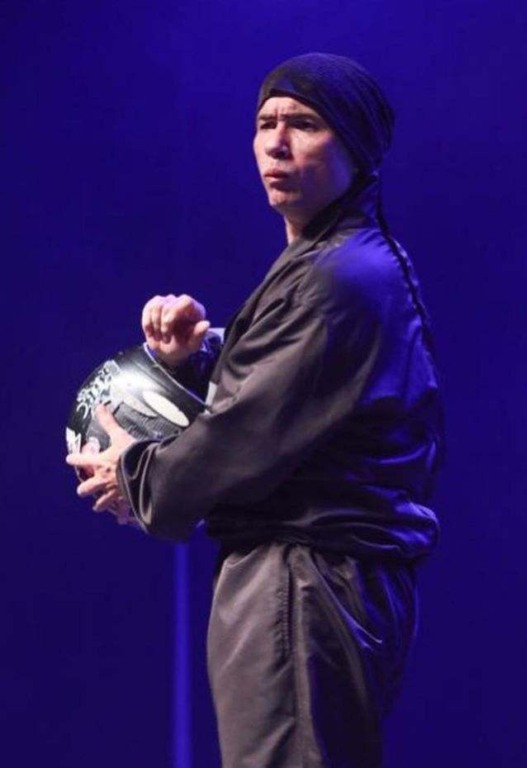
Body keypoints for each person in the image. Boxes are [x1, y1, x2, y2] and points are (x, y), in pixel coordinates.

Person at [66, 53, 442, 768]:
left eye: (303, 124)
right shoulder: (337, 260)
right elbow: (297, 386)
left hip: (306, 581)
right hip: (313, 577)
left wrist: (137, 473)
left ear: (356, 146)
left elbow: (250, 432)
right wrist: (197, 356)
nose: (275, 142)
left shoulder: (343, 276)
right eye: (265, 123)